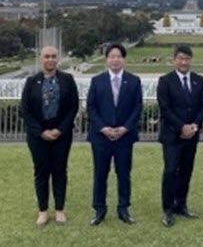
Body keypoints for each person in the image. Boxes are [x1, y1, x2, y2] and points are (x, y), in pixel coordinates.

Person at [21, 46, 79, 226]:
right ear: (41, 59)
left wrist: (60, 130)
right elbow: (25, 110)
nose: (50, 59)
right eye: (47, 56)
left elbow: (73, 107)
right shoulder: (31, 82)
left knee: (60, 171)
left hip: (62, 134)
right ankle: (43, 211)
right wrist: (41, 132)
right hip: (38, 136)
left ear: (58, 59)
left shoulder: (67, 80)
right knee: (41, 172)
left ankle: (60, 210)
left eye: (54, 56)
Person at [87, 43, 142, 226]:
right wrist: (103, 128)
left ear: (123, 59)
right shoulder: (97, 81)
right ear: (106, 60)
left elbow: (137, 108)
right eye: (112, 56)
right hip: (101, 137)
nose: (115, 60)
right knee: (100, 174)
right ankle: (99, 210)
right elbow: (91, 108)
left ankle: (123, 209)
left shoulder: (134, 81)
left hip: (124, 137)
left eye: (118, 56)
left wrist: (125, 128)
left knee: (124, 174)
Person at [157, 44, 203, 227]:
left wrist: (193, 126)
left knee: (186, 171)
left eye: (187, 59)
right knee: (171, 171)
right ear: (174, 60)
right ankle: (168, 209)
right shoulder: (165, 81)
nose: (184, 62)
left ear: (191, 60)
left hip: (192, 136)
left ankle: (181, 204)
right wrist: (181, 127)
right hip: (172, 136)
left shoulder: (198, 80)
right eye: (180, 58)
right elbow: (165, 108)